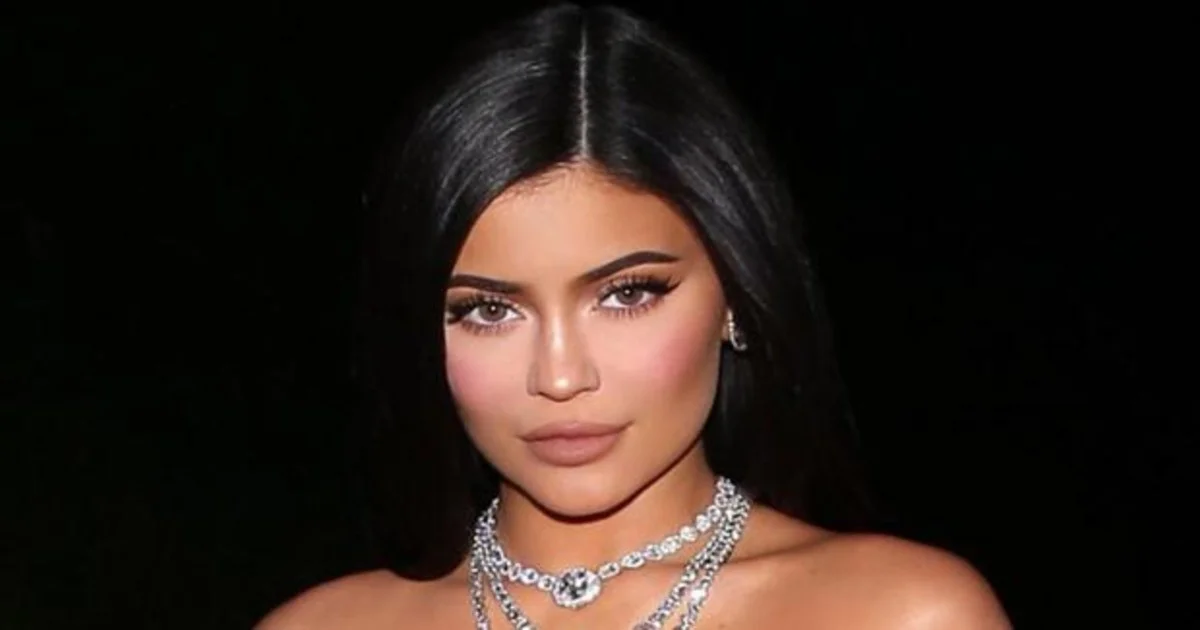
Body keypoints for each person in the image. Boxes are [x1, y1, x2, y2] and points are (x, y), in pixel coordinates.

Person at [258, 3, 1011, 628]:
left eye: (627, 294)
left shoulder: (900, 614)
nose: (559, 376)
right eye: (488, 309)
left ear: (735, 296)